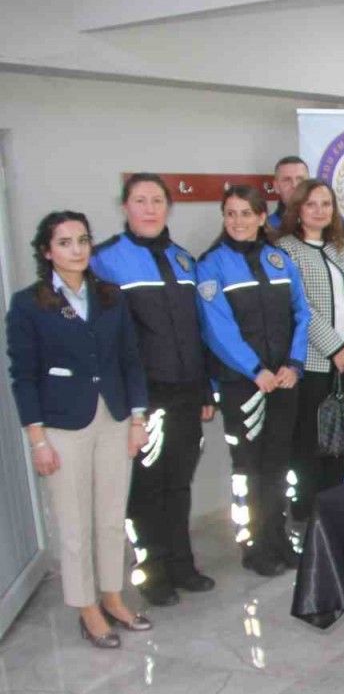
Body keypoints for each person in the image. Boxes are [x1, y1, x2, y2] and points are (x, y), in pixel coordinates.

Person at [8, 210, 151, 648]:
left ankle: (112, 597)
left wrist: (138, 420)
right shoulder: (29, 304)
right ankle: (86, 608)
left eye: (83, 240)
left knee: (111, 518)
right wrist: (37, 440)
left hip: (115, 418)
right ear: (47, 251)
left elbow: (131, 360)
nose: (77, 250)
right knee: (74, 523)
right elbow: (24, 376)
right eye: (65, 242)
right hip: (63, 425)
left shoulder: (110, 296)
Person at [90, 173, 215, 607]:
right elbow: (104, 340)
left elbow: (199, 330)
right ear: (125, 206)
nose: (149, 208)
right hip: (143, 398)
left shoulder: (183, 260)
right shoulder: (105, 260)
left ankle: (182, 564)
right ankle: (153, 571)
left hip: (187, 392)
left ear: (168, 207)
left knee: (179, 482)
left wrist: (205, 389)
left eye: (157, 200)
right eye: (140, 200)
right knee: (145, 487)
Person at [195, 186, 310, 576]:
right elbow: (217, 328)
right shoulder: (211, 264)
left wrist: (294, 364)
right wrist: (255, 369)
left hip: (284, 381)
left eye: (246, 213)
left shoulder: (280, 260)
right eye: (231, 213)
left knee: (278, 465)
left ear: (262, 217)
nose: (238, 220)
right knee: (249, 468)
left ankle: (278, 539)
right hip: (243, 384)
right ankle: (254, 546)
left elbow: (302, 313)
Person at [276, 180, 344, 523]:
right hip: (314, 363)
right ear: (298, 209)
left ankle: (338, 509)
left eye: (326, 204)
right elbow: (301, 306)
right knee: (311, 444)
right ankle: (309, 515)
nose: (320, 211)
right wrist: (335, 349)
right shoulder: (286, 249)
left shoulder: (339, 246)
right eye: (311, 204)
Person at [268, 156, 309, 229]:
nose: (294, 185)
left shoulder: (325, 224)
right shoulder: (267, 228)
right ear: (276, 187)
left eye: (300, 179)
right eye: (287, 180)